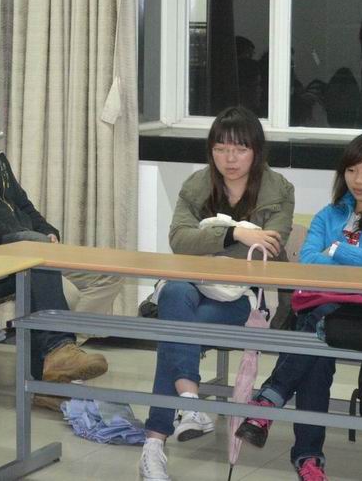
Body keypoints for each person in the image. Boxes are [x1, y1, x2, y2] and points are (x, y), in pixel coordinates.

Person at [236, 132, 362, 481]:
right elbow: (309, 262)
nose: (359, 180)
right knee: (317, 349)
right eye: (352, 170)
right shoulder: (328, 215)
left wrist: (335, 250)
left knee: (314, 329)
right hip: (323, 310)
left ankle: (269, 403)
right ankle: (307, 458)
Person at [139, 106, 296, 481]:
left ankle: (157, 438)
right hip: (192, 290)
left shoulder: (279, 190)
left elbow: (269, 248)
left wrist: (210, 239)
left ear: (256, 151)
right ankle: (187, 406)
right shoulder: (198, 184)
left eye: (240, 149)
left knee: (175, 328)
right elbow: (179, 240)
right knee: (176, 294)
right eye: (221, 148)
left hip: (246, 301)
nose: (230, 158)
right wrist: (236, 233)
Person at [0, 78, 108, 406]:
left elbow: (24, 205)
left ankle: (59, 360)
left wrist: (48, 231)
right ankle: (54, 356)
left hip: (29, 246)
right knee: (40, 265)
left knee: (105, 273)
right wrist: (30, 242)